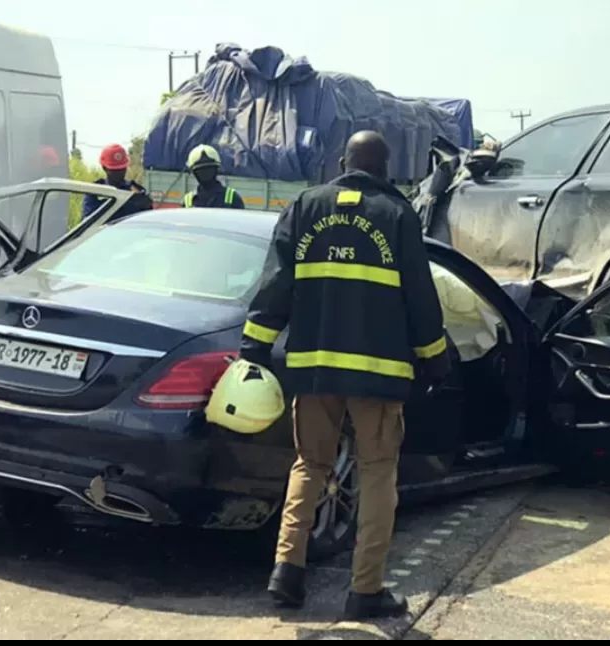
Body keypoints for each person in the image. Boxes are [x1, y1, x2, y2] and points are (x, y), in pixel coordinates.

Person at [239, 130, 450, 620]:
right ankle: (365, 591)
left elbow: (275, 283)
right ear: (386, 169)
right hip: (378, 377)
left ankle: (287, 570)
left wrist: (254, 343)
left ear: (342, 163)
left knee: (309, 464)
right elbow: (421, 297)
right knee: (377, 473)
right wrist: (435, 358)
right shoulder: (397, 217)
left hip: (313, 370)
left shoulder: (304, 208)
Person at [82, 144, 153, 221]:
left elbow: (147, 222)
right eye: (114, 170)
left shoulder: (136, 192)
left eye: (122, 169)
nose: (119, 173)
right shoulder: (95, 192)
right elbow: (88, 223)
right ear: (104, 168)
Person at [182, 145, 244, 209]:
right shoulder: (188, 200)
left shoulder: (232, 198)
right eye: (201, 171)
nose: (205, 173)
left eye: (208, 170)